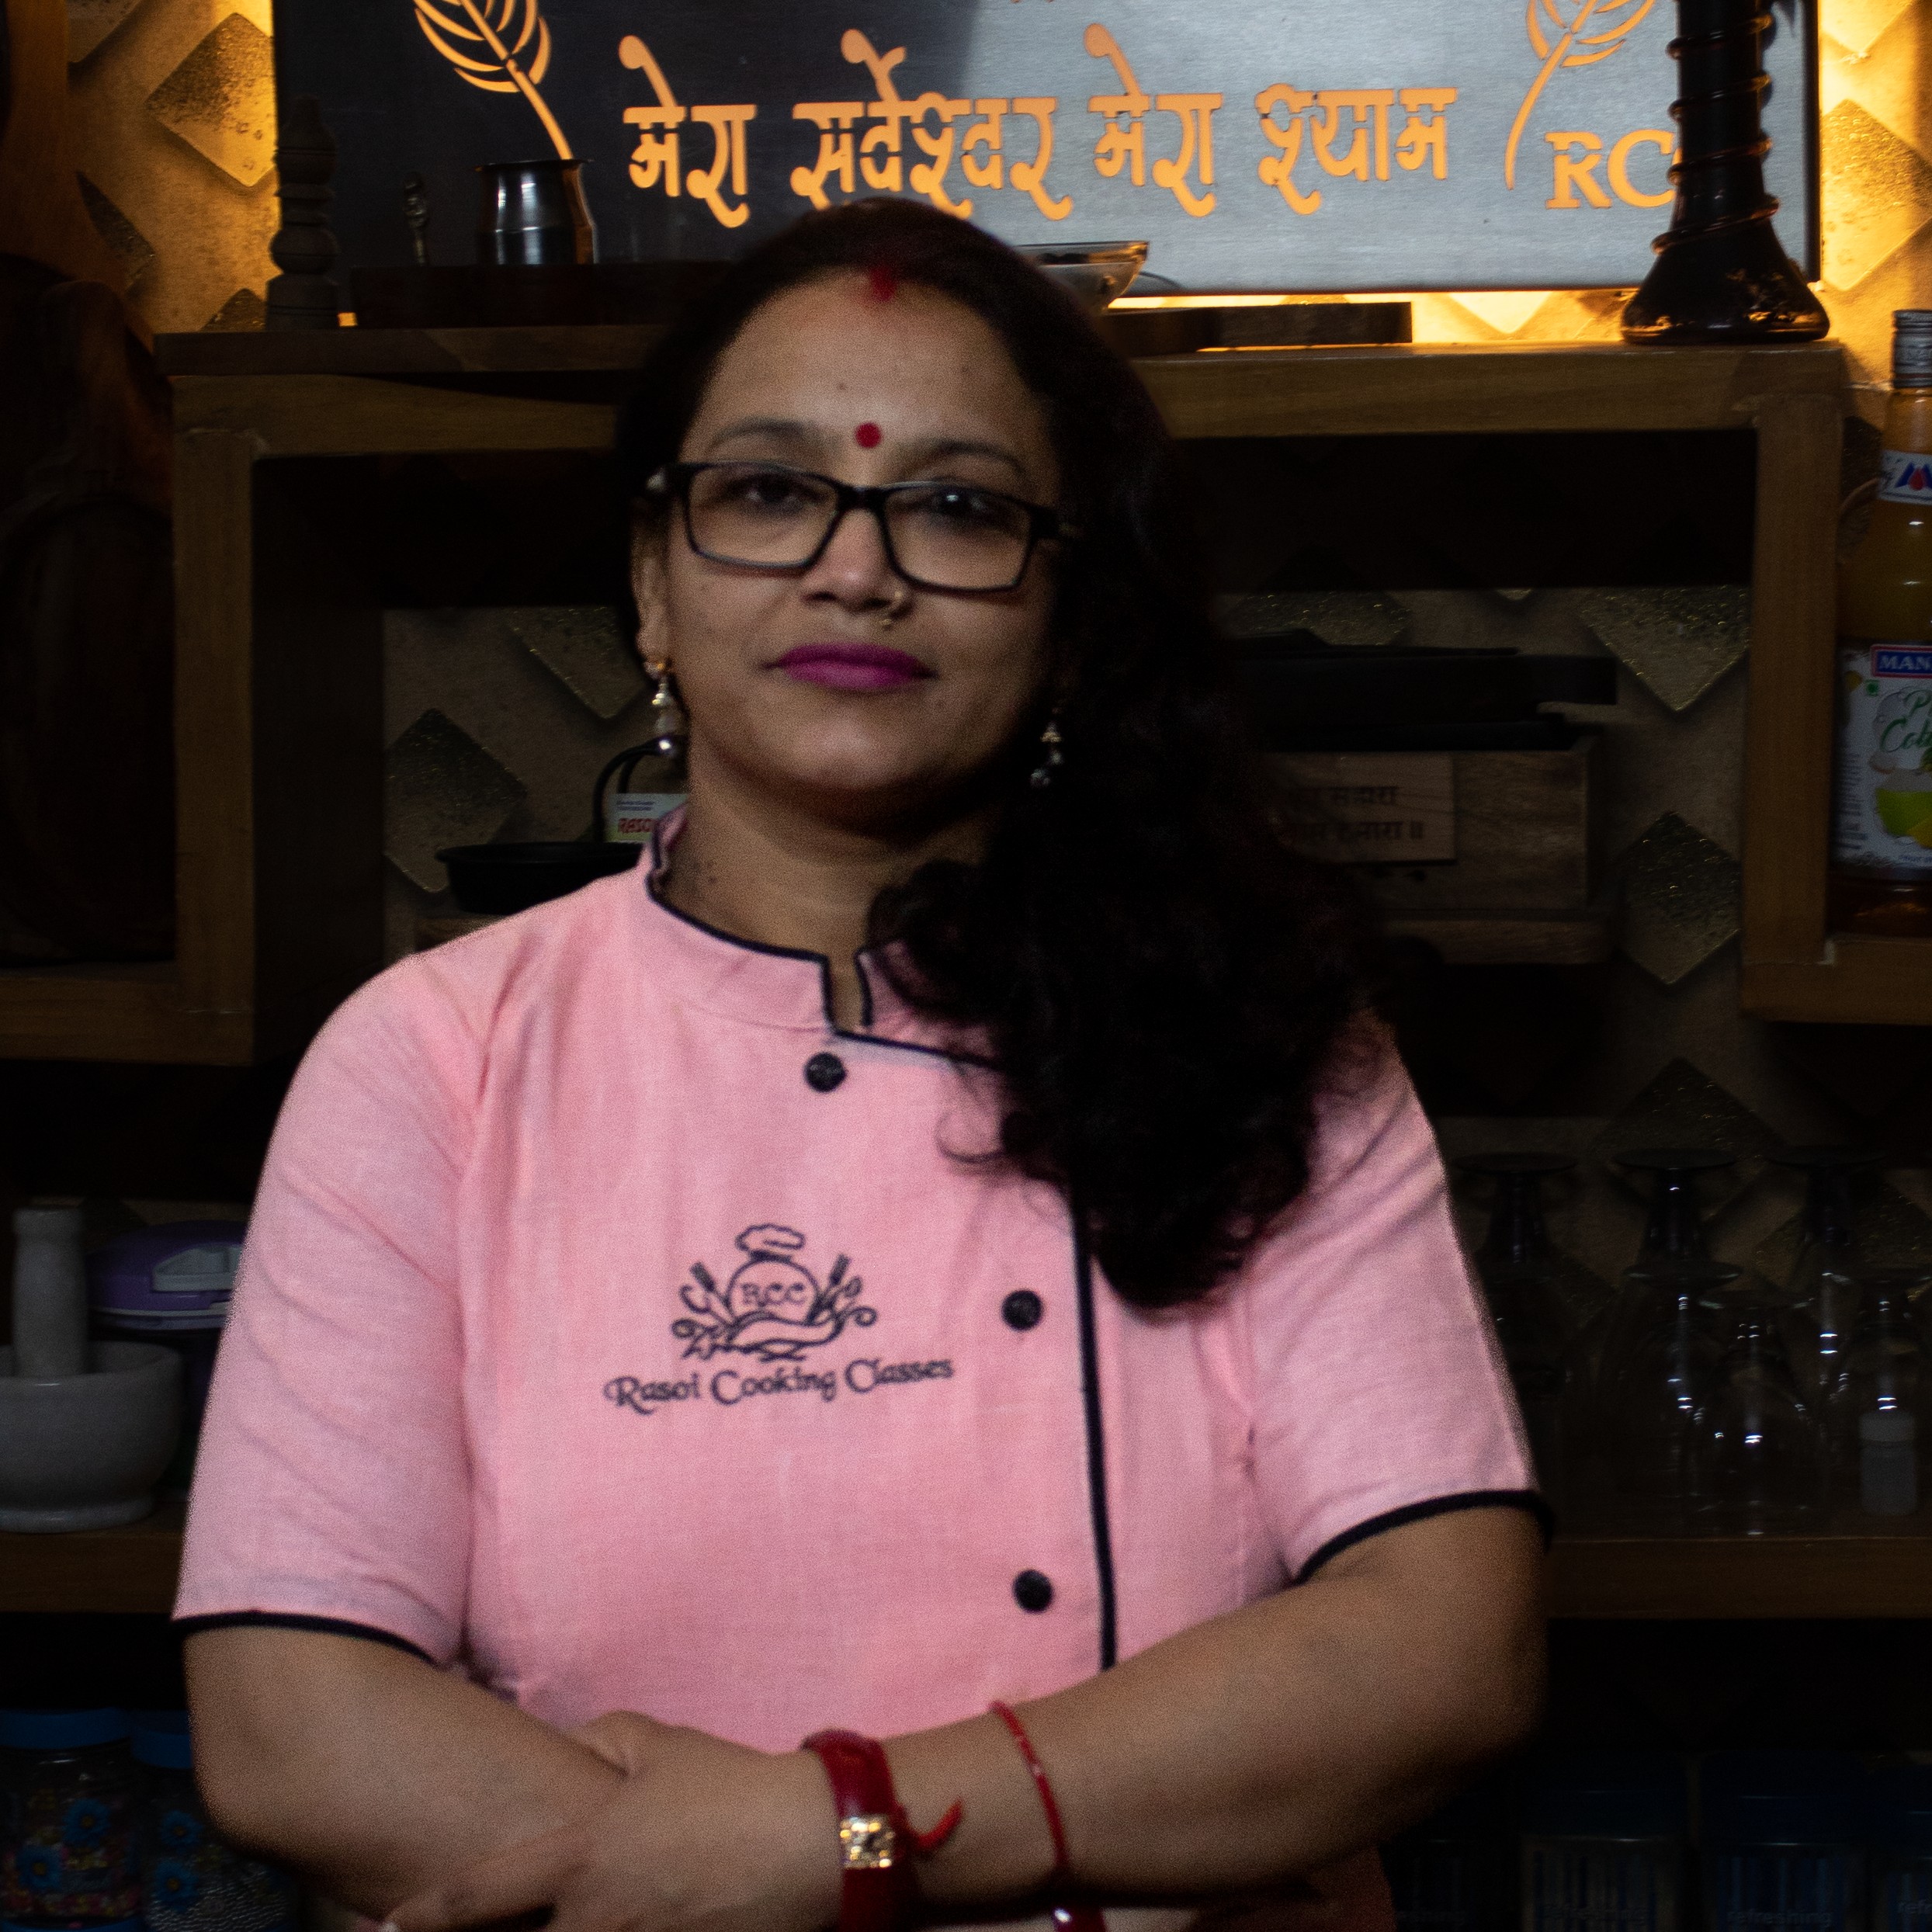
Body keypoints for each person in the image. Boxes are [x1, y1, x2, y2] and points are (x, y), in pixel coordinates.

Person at [176, 199, 1546, 1932]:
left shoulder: (1274, 1031)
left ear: (1066, 614)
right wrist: (812, 1876)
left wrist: (835, 1840)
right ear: (652, 582)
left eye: (959, 508)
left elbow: (1442, 1646)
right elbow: (295, 1726)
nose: (855, 568)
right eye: (767, 490)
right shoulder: (434, 1058)